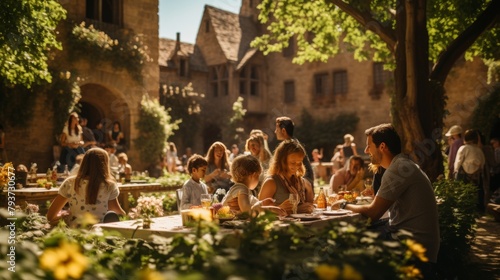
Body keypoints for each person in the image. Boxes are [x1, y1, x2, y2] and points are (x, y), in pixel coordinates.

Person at [335, 123, 439, 276]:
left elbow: (373, 212)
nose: (365, 151)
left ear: (382, 146)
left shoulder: (397, 169)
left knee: (347, 245)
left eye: (369, 146)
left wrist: (344, 205)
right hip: (419, 243)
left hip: (414, 250)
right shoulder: (402, 164)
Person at [47, 148, 126, 227]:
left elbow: (50, 216)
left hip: (76, 233)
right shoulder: (109, 185)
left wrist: (64, 216)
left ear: (84, 162)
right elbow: (117, 212)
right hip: (100, 232)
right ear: (105, 163)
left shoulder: (69, 183)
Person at [258, 139, 315, 214]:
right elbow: (259, 211)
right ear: (282, 161)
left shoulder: (303, 183)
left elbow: (310, 208)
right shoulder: (271, 182)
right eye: (293, 162)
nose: (296, 166)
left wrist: (309, 193)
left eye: (300, 162)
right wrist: (280, 209)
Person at [222, 154, 287, 216]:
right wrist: (270, 209)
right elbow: (247, 212)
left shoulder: (242, 189)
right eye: (258, 176)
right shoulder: (241, 189)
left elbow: (252, 205)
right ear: (254, 175)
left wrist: (262, 203)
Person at [275, 116, 315, 188]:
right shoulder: (293, 143)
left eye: (277, 129)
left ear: (283, 131)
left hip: (302, 183)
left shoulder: (290, 147)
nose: (275, 131)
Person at [454, 129, 485, 212]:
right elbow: (482, 164)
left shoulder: (463, 148)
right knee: (477, 193)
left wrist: (455, 171)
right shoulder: (479, 150)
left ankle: (461, 209)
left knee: (461, 192)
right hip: (476, 176)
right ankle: (478, 210)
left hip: (463, 175)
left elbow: (458, 162)